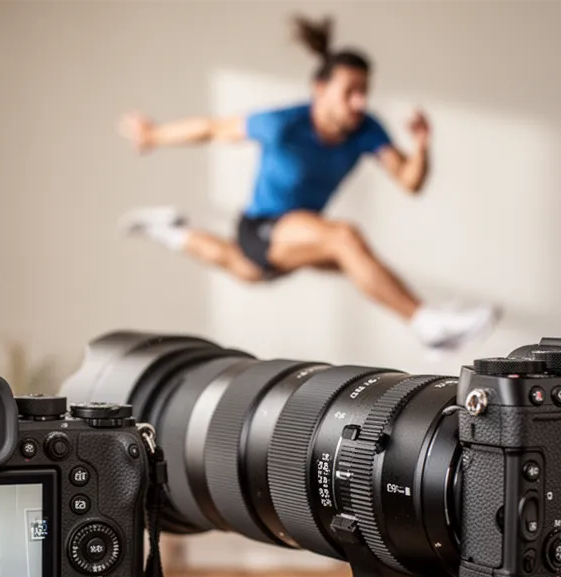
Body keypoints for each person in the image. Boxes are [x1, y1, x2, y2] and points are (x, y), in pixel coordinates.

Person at [118, 15, 499, 351]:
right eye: (349, 91)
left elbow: (409, 181)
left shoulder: (367, 130)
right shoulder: (283, 123)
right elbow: (211, 129)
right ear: (320, 89)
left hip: (299, 232)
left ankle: (168, 231)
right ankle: (427, 323)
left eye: (364, 91)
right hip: (263, 226)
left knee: (244, 268)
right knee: (345, 240)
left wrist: (422, 146)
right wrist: (152, 136)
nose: (359, 102)